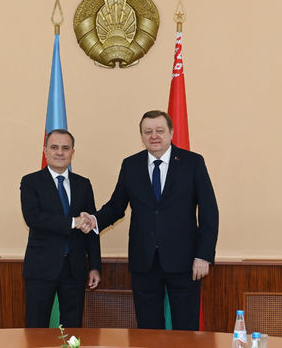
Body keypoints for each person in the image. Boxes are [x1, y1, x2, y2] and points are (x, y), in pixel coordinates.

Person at [79, 110, 219, 330]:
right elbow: (116, 206)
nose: (154, 136)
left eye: (159, 130)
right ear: (142, 136)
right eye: (148, 131)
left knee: (186, 330)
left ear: (171, 133)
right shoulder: (130, 165)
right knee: (148, 330)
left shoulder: (193, 163)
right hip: (144, 262)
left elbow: (209, 212)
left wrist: (203, 255)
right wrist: (95, 220)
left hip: (185, 262)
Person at [20, 129, 101, 328]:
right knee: (36, 329)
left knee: (73, 330)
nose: (59, 152)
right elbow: (33, 218)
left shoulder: (83, 184)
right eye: (54, 147)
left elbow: (92, 227)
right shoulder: (30, 182)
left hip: (75, 269)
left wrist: (94, 266)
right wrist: (73, 222)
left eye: (65, 148)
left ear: (72, 152)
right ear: (45, 150)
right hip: (41, 268)